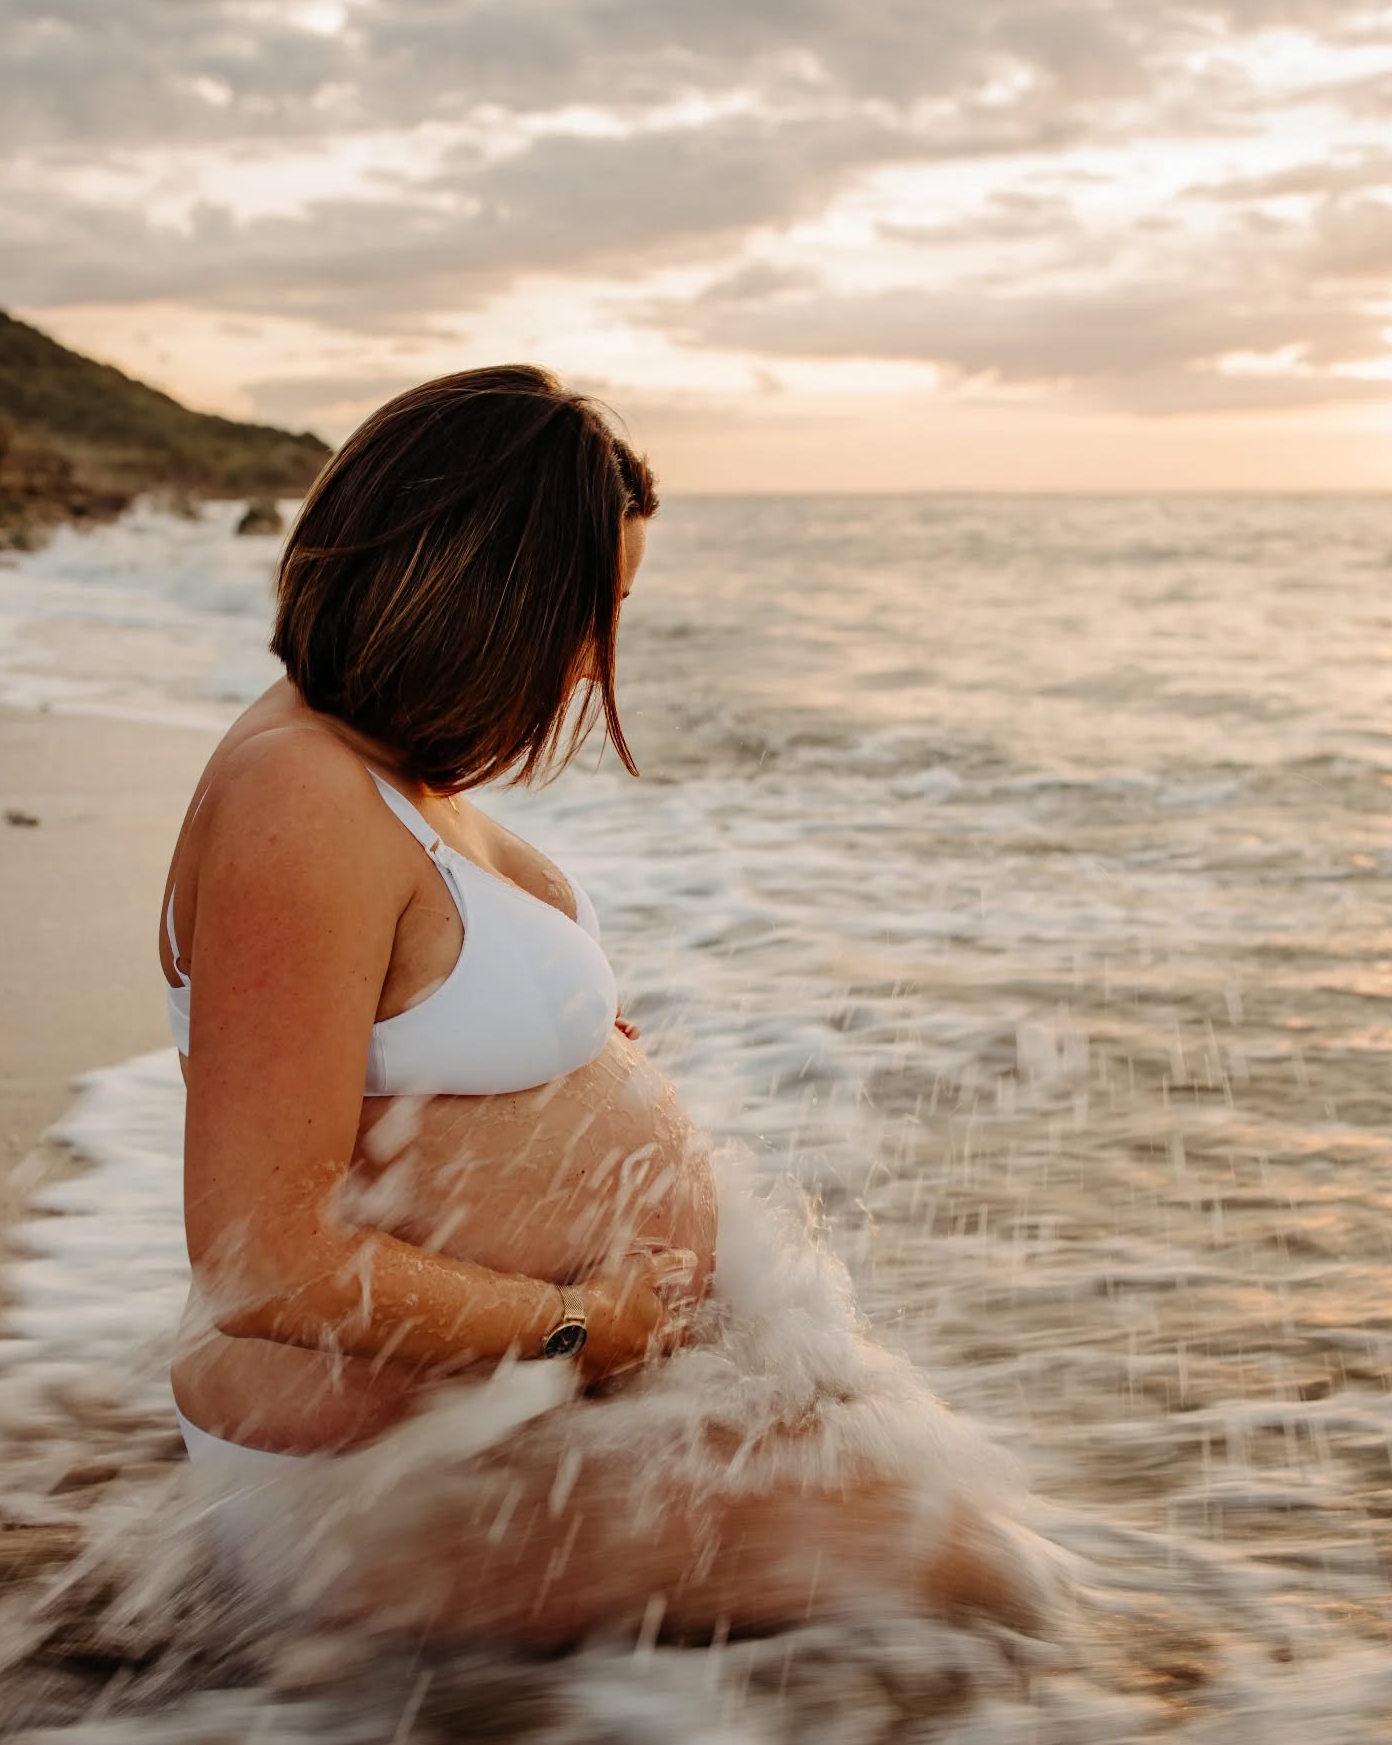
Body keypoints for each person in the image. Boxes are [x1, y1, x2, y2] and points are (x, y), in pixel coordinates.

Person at [160, 367, 1052, 1645]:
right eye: (599, 610)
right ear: (503, 592)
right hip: (372, 1491)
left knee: (944, 1530)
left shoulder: (381, 773)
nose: (595, 659)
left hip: (506, 1415)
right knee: (973, 1573)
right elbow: (260, 1258)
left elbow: (413, 1045)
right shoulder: (296, 797)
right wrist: (587, 1326)